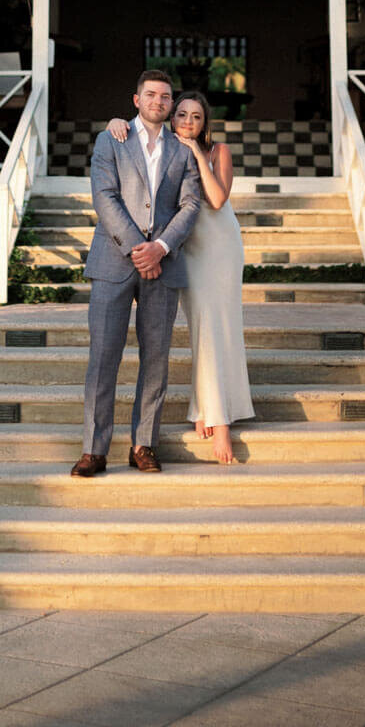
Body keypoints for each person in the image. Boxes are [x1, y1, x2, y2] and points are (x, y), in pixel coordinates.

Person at [107, 89, 254, 465]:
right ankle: (204, 405)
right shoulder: (163, 147)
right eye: (182, 115)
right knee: (201, 329)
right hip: (186, 248)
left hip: (220, 247)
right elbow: (134, 139)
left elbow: (218, 199)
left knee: (219, 328)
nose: (188, 122)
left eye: (196, 117)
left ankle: (220, 421)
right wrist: (117, 122)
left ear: (205, 123)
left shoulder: (218, 151)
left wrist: (196, 154)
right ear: (172, 118)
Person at [72, 70, 203, 477]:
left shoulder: (183, 150)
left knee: (156, 360)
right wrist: (137, 249)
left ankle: (143, 444)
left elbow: (191, 205)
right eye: (151, 94)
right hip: (114, 262)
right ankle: (94, 450)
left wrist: (160, 248)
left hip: (163, 266)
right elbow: (104, 196)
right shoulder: (110, 138)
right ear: (136, 100)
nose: (159, 101)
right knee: (104, 357)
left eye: (166, 96)